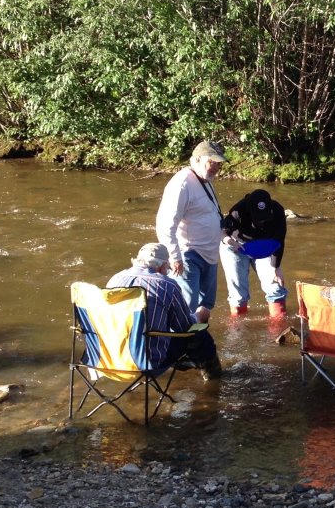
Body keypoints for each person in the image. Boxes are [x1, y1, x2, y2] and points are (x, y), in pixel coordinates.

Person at [106, 242, 221, 379]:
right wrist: (199, 315)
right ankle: (214, 382)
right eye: (167, 267)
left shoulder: (115, 279)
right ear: (162, 266)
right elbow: (185, 327)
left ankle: (186, 363)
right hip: (146, 362)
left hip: (108, 358)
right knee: (200, 334)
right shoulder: (166, 284)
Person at [155, 140, 226, 324]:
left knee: (206, 305)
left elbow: (210, 214)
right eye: (212, 162)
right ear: (197, 159)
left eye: (219, 164)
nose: (216, 167)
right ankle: (180, 339)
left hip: (209, 254)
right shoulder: (182, 183)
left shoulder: (204, 180)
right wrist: (174, 257)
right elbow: (165, 225)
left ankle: (198, 338)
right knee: (187, 306)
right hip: (188, 255)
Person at [219, 189, 288, 319]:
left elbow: (279, 240)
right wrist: (230, 242)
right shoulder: (238, 210)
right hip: (237, 247)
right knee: (239, 296)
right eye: (258, 218)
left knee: (276, 288)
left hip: (263, 247)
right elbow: (222, 231)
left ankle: (279, 326)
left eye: (264, 218)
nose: (261, 222)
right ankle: (238, 327)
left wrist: (276, 267)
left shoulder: (277, 210)